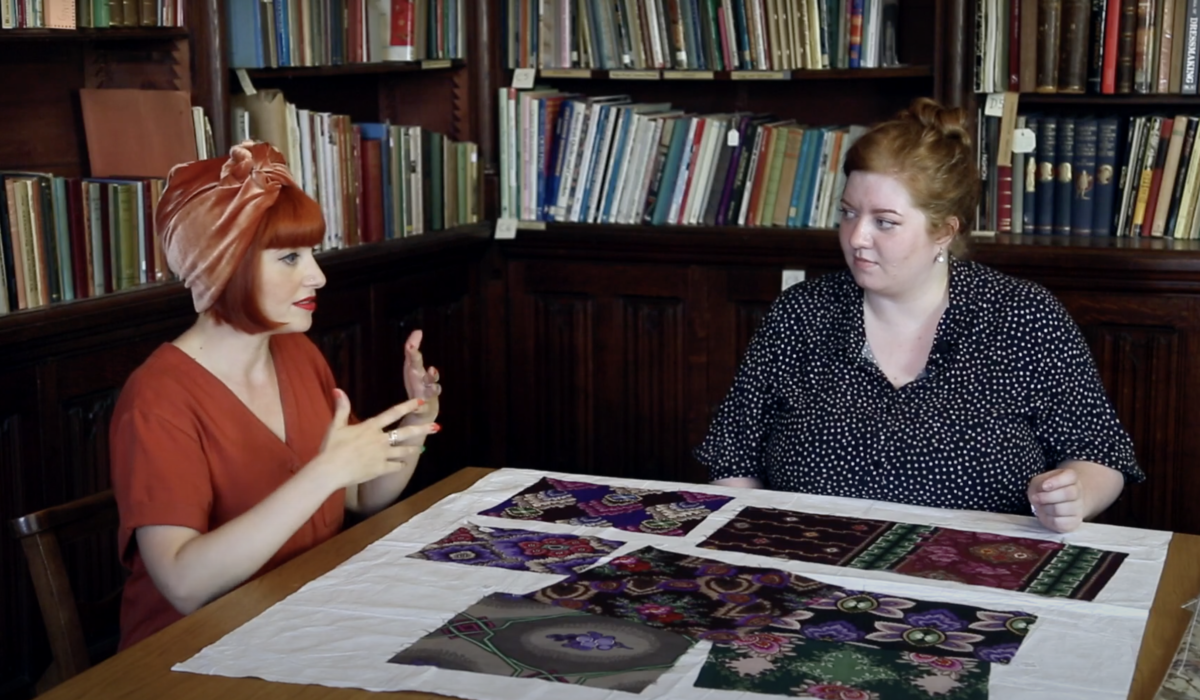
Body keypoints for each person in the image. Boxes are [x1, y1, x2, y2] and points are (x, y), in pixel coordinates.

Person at [695, 98, 1144, 534]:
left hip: (977, 578)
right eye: (848, 214)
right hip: (811, 570)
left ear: (944, 231)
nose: (856, 238)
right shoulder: (801, 314)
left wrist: (1074, 494)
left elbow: (1101, 454)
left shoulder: (1023, 316)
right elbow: (734, 458)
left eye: (884, 221)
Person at [109, 142, 442, 650]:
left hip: (302, 623)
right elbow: (183, 584)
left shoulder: (297, 353)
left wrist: (420, 418)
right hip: (192, 656)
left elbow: (357, 496)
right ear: (224, 267)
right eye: (290, 257)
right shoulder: (157, 399)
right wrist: (323, 473)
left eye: (311, 253)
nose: (317, 275)